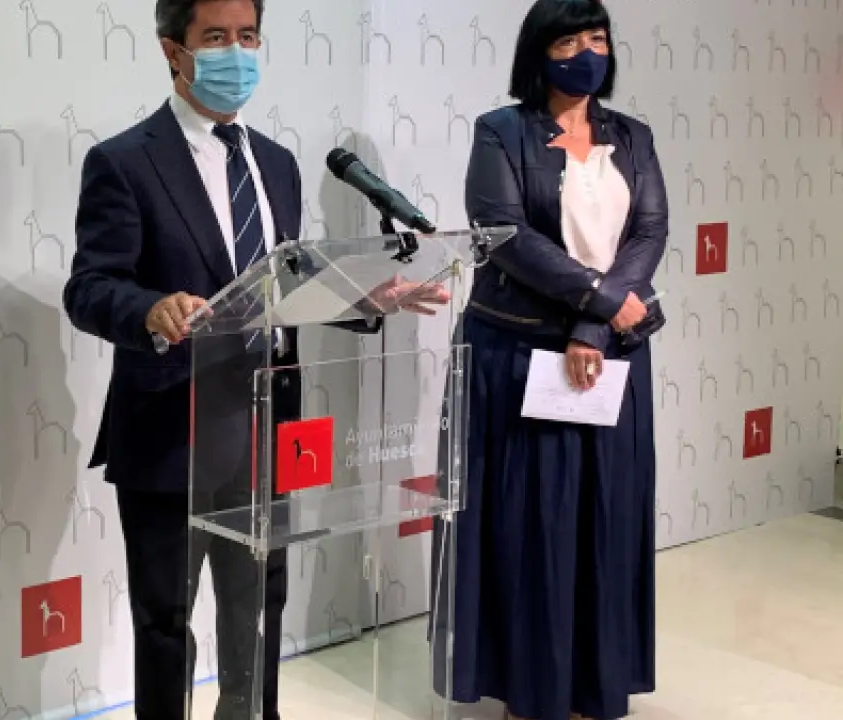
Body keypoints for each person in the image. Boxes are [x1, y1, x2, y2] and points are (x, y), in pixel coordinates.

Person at [64, 1, 448, 717]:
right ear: (173, 50)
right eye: (216, 37)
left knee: (259, 607)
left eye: (248, 36)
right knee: (165, 619)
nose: (236, 53)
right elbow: (88, 288)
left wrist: (365, 296)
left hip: (267, 424)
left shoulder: (275, 163)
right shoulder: (124, 162)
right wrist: (149, 308)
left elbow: (281, 288)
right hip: (171, 426)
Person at [431, 2, 667, 720]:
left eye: (597, 38)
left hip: (610, 354)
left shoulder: (632, 135)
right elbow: (504, 235)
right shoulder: (500, 131)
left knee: (605, 521)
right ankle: (529, 693)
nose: (586, 52)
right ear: (539, 51)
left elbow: (649, 231)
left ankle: (593, 687)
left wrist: (594, 325)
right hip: (518, 354)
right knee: (531, 525)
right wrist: (601, 301)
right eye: (569, 39)